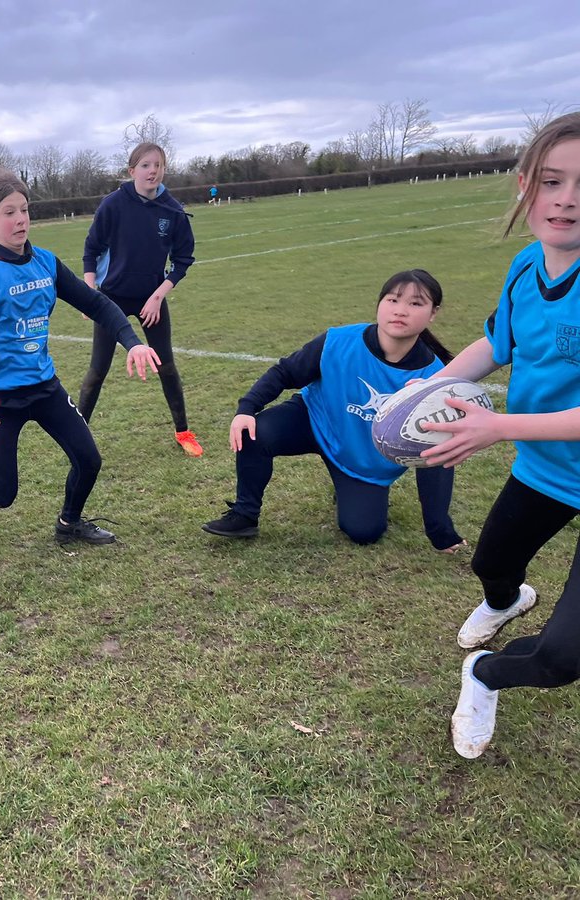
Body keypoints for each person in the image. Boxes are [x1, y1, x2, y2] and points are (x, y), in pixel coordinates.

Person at [431, 113, 580, 759]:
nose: (568, 199)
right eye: (552, 181)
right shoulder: (526, 266)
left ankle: (483, 675)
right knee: (491, 565)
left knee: (558, 659)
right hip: (548, 470)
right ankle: (508, 600)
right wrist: (423, 390)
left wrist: (497, 427)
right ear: (526, 187)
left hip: (537, 445)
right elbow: (498, 343)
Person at [0, 168, 161, 545]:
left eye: (23, 209)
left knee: (89, 460)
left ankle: (68, 524)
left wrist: (133, 341)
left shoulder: (45, 262)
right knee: (4, 494)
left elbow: (97, 304)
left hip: (45, 388)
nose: (20, 219)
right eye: (8, 212)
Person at [201, 269, 465, 552]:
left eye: (415, 304)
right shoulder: (338, 341)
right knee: (255, 432)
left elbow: (434, 455)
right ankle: (245, 514)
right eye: (392, 300)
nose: (401, 311)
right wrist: (246, 408)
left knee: (364, 532)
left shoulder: (433, 377)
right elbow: (285, 372)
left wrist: (439, 529)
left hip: (360, 460)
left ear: (433, 313)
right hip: (315, 421)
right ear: (379, 304)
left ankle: (352, 489)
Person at [77, 142, 202, 457]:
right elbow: (91, 250)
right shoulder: (113, 205)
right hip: (111, 300)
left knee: (167, 366)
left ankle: (183, 432)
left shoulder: (172, 210)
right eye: (146, 165)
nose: (153, 171)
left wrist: (158, 296)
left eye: (158, 165)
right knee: (96, 371)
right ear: (132, 171)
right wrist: (91, 292)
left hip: (151, 301)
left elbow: (183, 260)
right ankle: (76, 436)